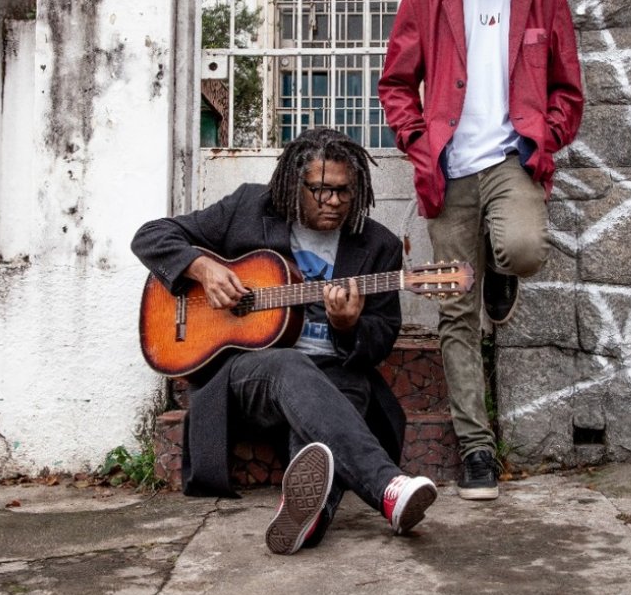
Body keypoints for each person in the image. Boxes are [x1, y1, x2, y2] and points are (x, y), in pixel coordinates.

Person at [131, 127, 437, 555]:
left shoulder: (378, 246)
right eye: (320, 190)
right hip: (246, 375)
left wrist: (348, 326)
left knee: (333, 408)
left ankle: (307, 518)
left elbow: (381, 339)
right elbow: (150, 235)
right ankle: (388, 487)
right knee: (289, 365)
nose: (333, 202)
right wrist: (202, 268)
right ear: (295, 184)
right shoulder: (247, 209)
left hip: (333, 373)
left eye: (344, 192)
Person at [377, 0, 584, 501]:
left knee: (521, 249)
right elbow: (395, 84)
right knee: (455, 310)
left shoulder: (544, 0)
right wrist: (417, 143)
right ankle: (475, 449)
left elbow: (568, 92)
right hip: (448, 170)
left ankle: (502, 271)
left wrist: (542, 139)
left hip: (510, 161)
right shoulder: (425, 3)